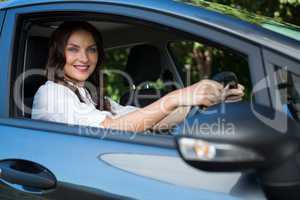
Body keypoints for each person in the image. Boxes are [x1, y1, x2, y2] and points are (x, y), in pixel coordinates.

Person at [32, 21, 244, 132]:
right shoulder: (51, 93)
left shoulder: (89, 95)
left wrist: (208, 101)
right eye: (73, 49)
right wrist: (177, 96)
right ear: (59, 53)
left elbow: (150, 121)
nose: (84, 58)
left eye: (92, 49)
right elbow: (114, 129)